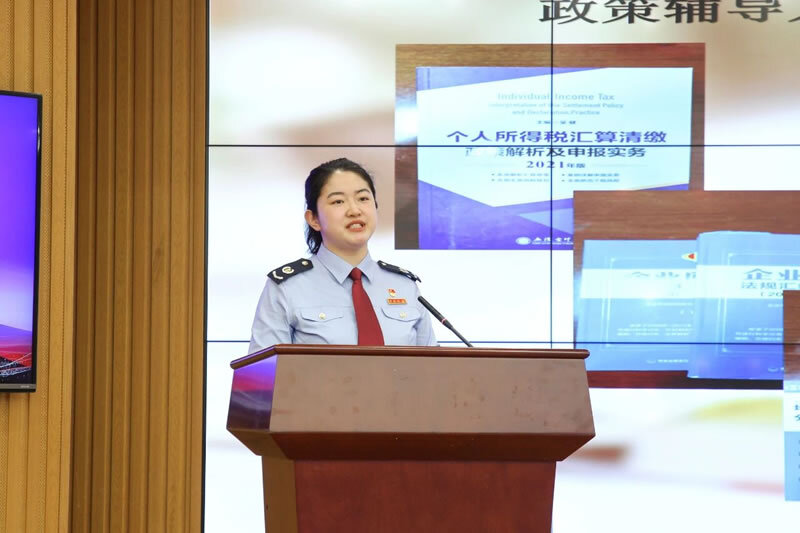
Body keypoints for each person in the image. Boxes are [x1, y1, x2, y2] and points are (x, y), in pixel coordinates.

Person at [248, 158, 438, 353]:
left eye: (363, 198)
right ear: (313, 219)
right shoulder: (287, 288)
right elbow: (262, 370)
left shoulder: (405, 286)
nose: (355, 210)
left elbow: (434, 367)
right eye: (338, 201)